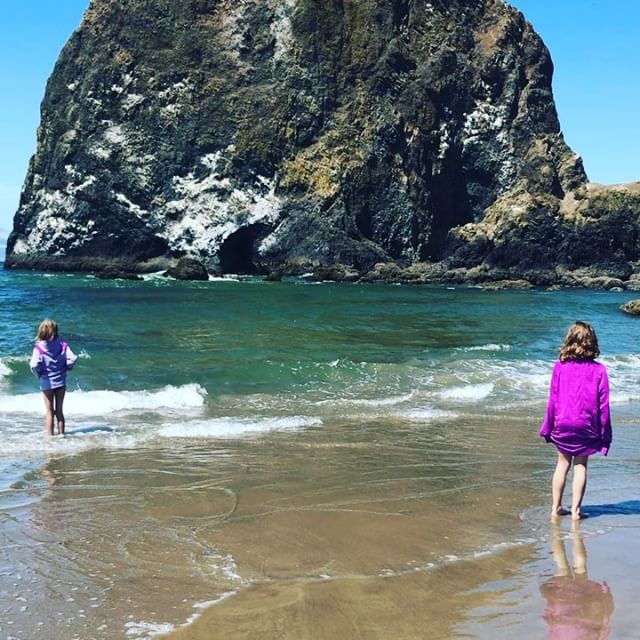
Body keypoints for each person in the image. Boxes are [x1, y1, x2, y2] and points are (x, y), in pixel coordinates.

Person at [539, 321, 612, 520]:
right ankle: (576, 512)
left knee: (562, 464)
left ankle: (555, 508)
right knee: (581, 465)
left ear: (569, 340)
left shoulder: (559, 367)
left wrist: (548, 425)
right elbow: (603, 405)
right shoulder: (599, 370)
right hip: (586, 424)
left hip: (562, 421)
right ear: (592, 343)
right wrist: (605, 433)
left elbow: (552, 399)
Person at [29, 319, 78, 436]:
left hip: (46, 383)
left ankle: (51, 439)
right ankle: (62, 435)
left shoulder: (39, 347)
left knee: (49, 412)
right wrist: (68, 367)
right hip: (61, 381)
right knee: (59, 411)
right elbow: (72, 358)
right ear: (55, 330)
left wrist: (39, 374)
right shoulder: (62, 344)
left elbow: (34, 365)